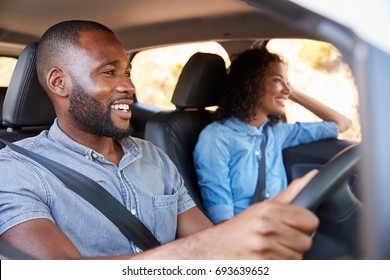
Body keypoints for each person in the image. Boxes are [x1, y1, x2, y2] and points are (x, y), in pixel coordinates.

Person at [0, 20, 319, 260]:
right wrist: (216, 244)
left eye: (128, 71)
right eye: (109, 72)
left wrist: (256, 232)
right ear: (59, 83)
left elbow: (207, 240)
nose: (128, 86)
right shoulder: (16, 170)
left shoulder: (153, 156)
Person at [194, 45, 352, 224]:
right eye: (277, 80)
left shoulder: (277, 132)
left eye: (288, 82)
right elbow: (222, 221)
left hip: (281, 226)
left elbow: (342, 123)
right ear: (251, 83)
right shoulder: (216, 138)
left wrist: (290, 92)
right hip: (243, 237)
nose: (286, 89)